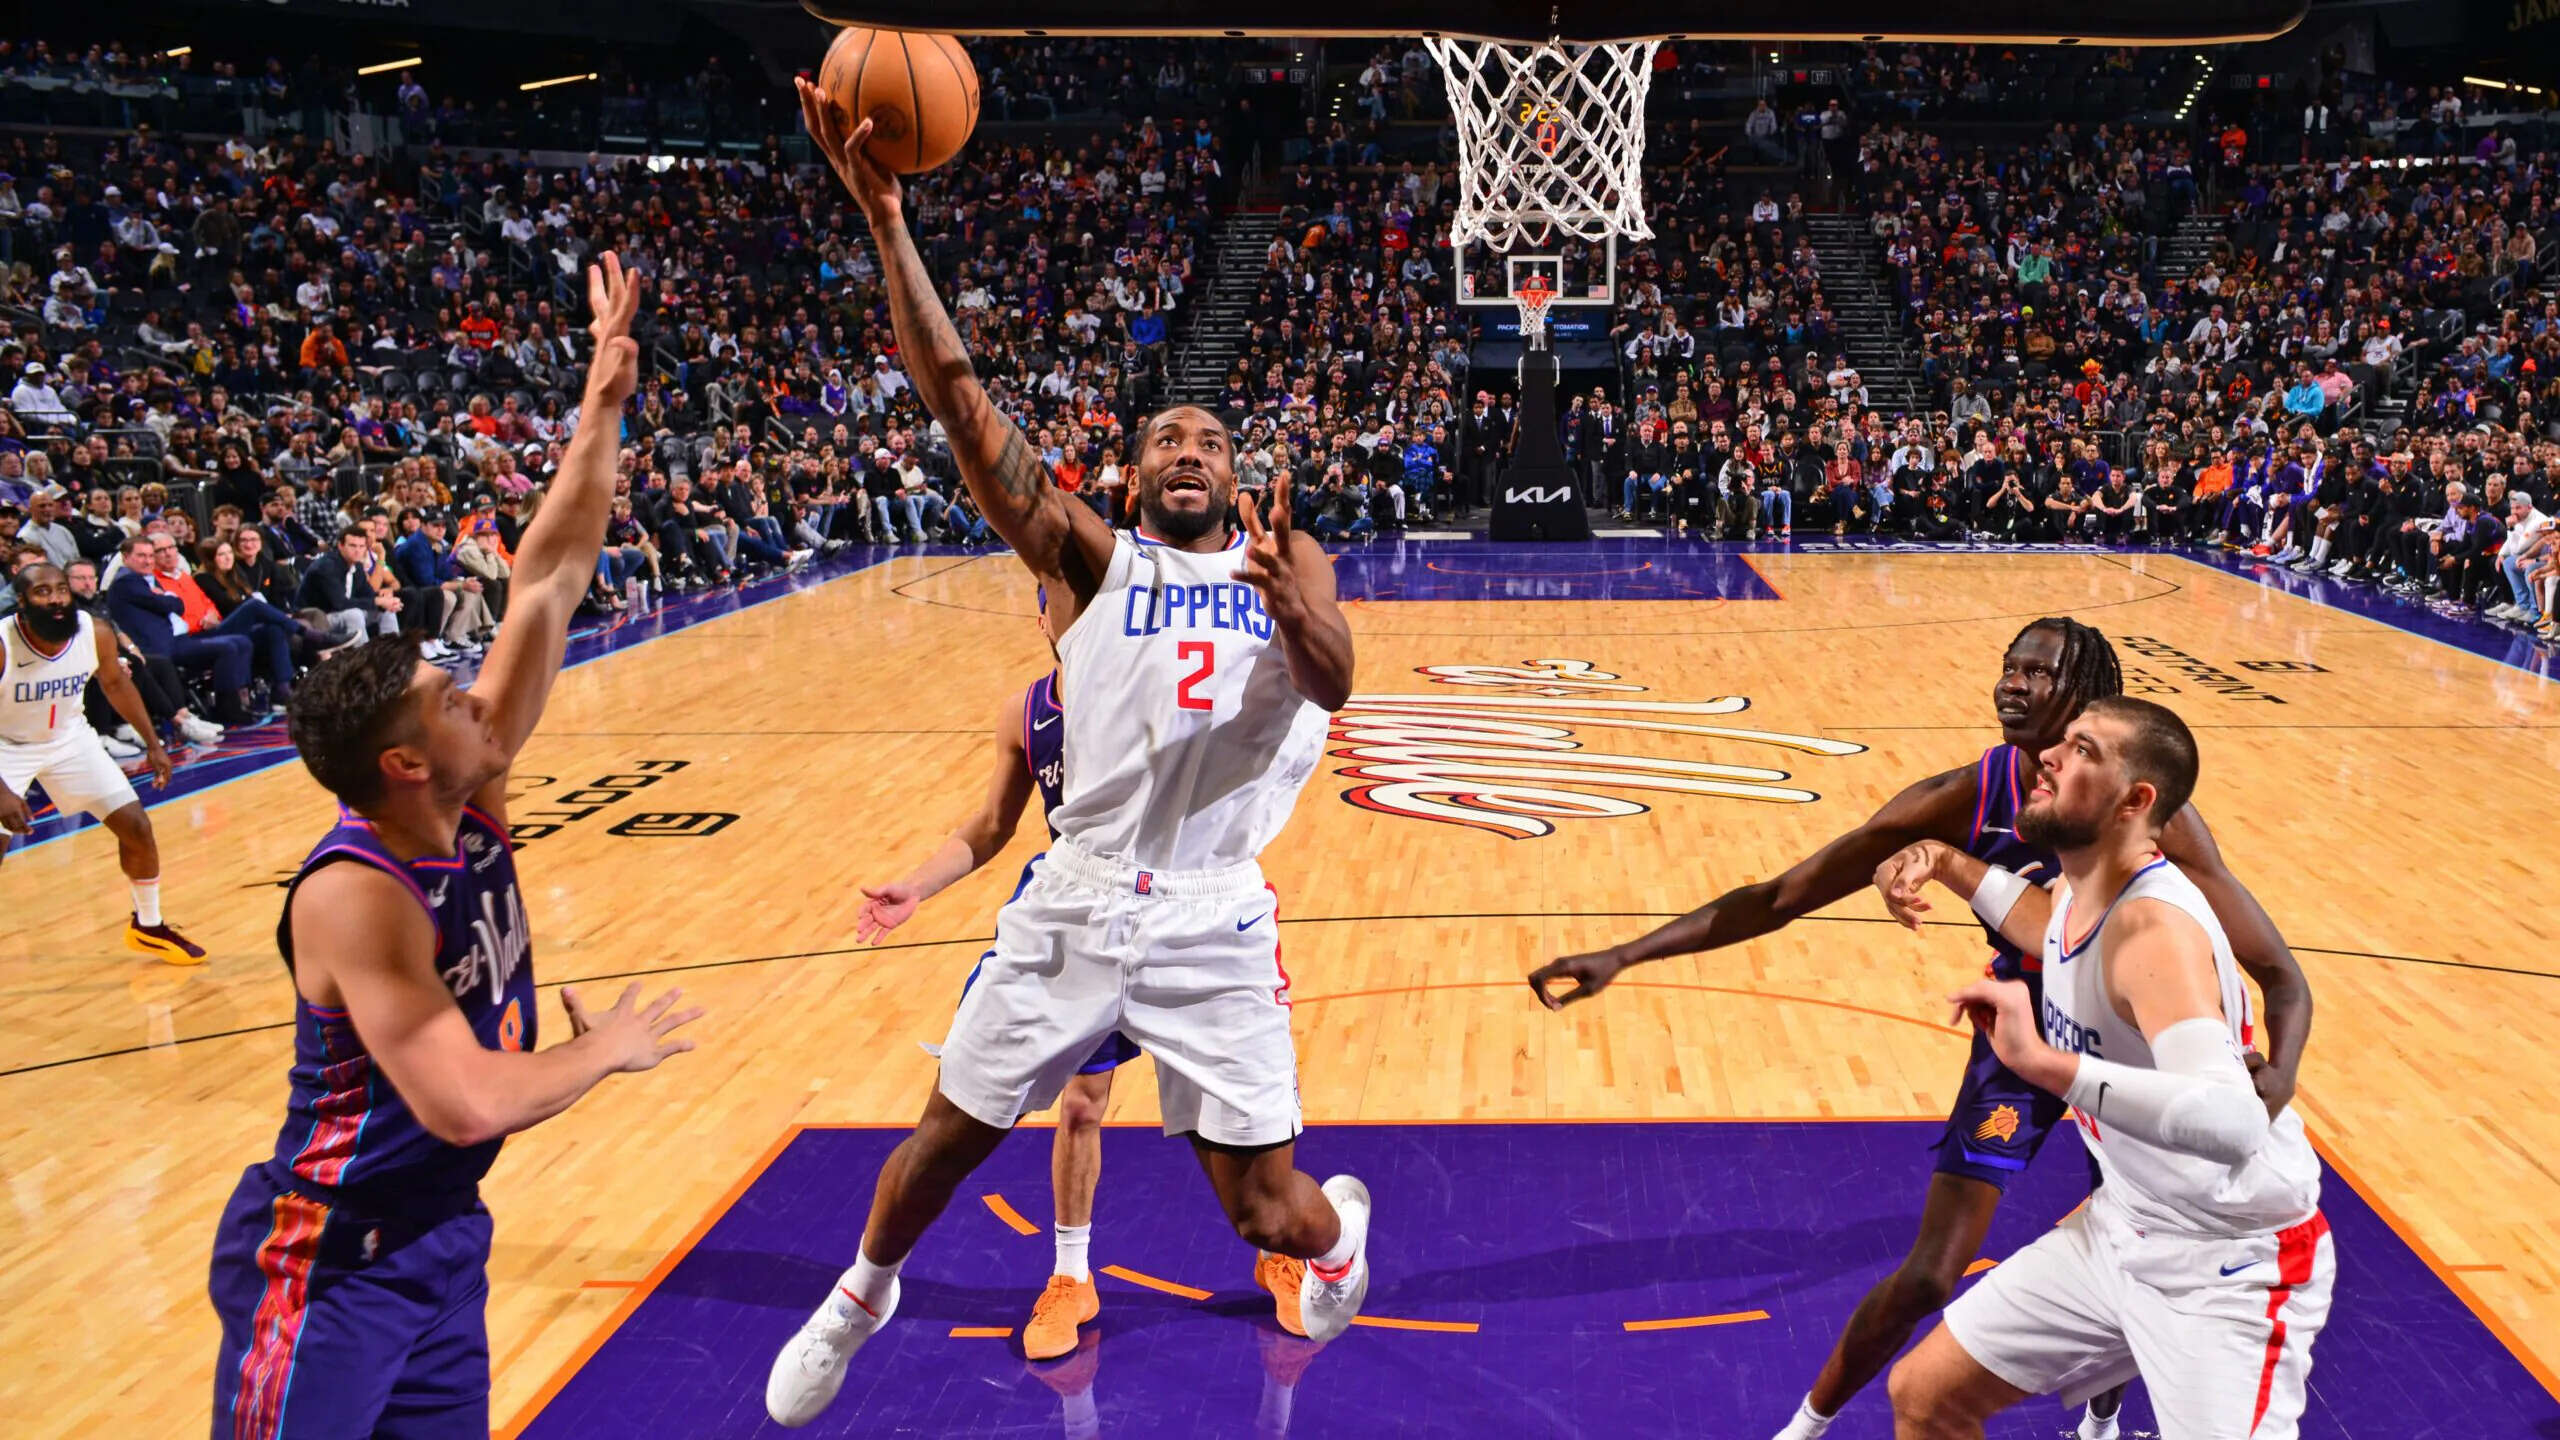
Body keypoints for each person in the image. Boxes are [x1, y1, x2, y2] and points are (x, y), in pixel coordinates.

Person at [766, 96, 1369, 1430]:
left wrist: (1295, 605)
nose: (1193, 451)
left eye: (1213, 439)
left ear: (1236, 470)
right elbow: (962, 404)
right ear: (1134, 473)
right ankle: (862, 1294)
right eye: (1169, 439)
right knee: (950, 1134)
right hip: (1083, 892)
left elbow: (1333, 678)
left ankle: (1336, 1246)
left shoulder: (1290, 561)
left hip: (1216, 907)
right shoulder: (1091, 562)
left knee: (1270, 1206)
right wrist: (886, 221)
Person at [1526, 619, 2312, 1440]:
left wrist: (2279, 1074)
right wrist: (1627, 952)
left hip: (2139, 1054)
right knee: (1937, 1278)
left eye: (2036, 674)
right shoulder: (1974, 793)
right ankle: (1807, 1424)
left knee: (2143, 1208)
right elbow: (1785, 894)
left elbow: (2280, 973)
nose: (2011, 684)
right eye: (2008, 666)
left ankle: (2103, 1418)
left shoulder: (2148, 829)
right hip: (2023, 1037)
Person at [205, 254, 702, 1438]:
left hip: (438, 1241)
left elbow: (546, 577)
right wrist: (608, 1053)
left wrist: (602, 403)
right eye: (448, 698)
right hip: (328, 1263)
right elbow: (465, 1102)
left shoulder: (468, 792)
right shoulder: (354, 896)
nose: (477, 699)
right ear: (404, 765)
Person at [1877, 697, 2330, 1440]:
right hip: (2125, 1226)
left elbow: (2235, 1121)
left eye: (2083, 750)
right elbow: (2043, 922)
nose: (2051, 755)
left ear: (2136, 801)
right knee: (1926, 1396)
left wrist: (2045, 1064)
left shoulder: (2155, 932)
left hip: (2228, 1265)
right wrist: (1945, 861)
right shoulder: (2083, 888)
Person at [855, 668, 1154, 1362]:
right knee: (1081, 1104)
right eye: (1057, 596)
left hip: (1187, 913)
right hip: (1088, 920)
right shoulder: (1028, 711)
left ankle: (1277, 1242)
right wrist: (918, 886)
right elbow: (993, 824)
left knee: (1225, 1104)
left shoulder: (1156, 679)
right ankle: (1072, 1276)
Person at [1, 561, 205, 962]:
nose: (57, 599)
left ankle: (149, 926)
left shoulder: (93, 631)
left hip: (69, 739)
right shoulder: (4, 643)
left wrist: (153, 742)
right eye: (43, 592)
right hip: (6, 746)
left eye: (61, 588)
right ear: (22, 602)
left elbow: (115, 683)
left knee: (136, 826)